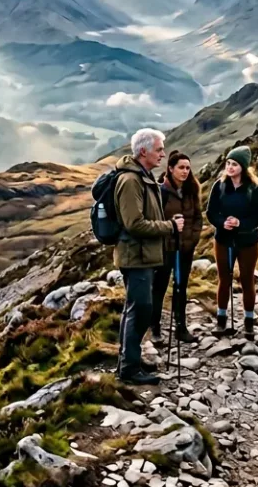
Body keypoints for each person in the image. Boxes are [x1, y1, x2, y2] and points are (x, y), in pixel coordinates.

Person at [113, 128, 185, 386]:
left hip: (143, 255)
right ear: (143, 151)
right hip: (136, 256)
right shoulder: (131, 181)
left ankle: (128, 361)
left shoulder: (142, 176)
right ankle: (129, 368)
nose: (163, 154)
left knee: (137, 308)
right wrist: (169, 227)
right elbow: (135, 224)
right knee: (140, 309)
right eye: (159, 150)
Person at [206, 145, 258, 337]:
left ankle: (249, 321)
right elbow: (211, 212)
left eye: (234, 164)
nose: (229, 167)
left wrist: (241, 223)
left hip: (247, 242)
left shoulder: (255, 189)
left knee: (247, 280)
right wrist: (222, 222)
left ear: (244, 167)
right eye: (228, 163)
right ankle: (221, 320)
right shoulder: (220, 186)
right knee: (224, 279)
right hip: (223, 240)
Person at [154, 150, 202, 346]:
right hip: (166, 248)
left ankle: (181, 328)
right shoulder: (160, 191)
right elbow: (154, 219)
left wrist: (192, 240)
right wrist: (170, 225)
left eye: (188, 168)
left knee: (181, 287)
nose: (185, 172)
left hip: (185, 249)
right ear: (170, 169)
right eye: (181, 168)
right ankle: (155, 328)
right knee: (159, 287)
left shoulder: (192, 191)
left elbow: (198, 218)